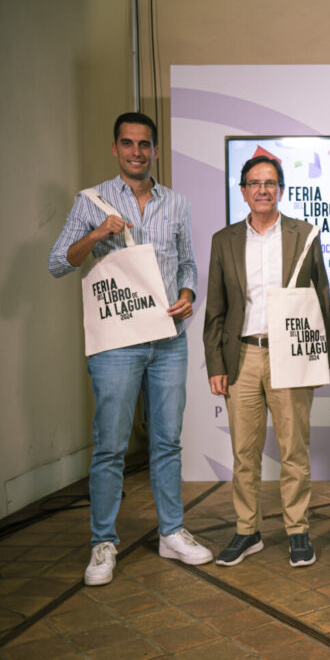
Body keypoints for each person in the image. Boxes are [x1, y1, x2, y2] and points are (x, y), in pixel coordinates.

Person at [48, 112, 212, 586]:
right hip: (116, 342)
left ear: (155, 150)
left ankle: (172, 532)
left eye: (144, 144)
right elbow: (59, 262)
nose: (136, 152)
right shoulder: (90, 201)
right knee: (111, 446)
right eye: (128, 144)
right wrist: (97, 233)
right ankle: (103, 542)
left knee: (166, 442)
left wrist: (188, 295)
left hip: (168, 341)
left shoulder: (176, 203)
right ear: (116, 149)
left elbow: (186, 262)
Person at [203, 156, 330, 568]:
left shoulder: (305, 235)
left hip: (292, 353)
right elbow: (216, 308)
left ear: (281, 189)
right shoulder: (223, 240)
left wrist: (319, 359)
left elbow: (321, 300)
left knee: (294, 448)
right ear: (242, 191)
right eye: (255, 183)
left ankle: (298, 531)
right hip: (241, 354)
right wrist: (215, 365)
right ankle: (247, 531)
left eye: (271, 183)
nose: (263, 189)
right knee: (245, 452)